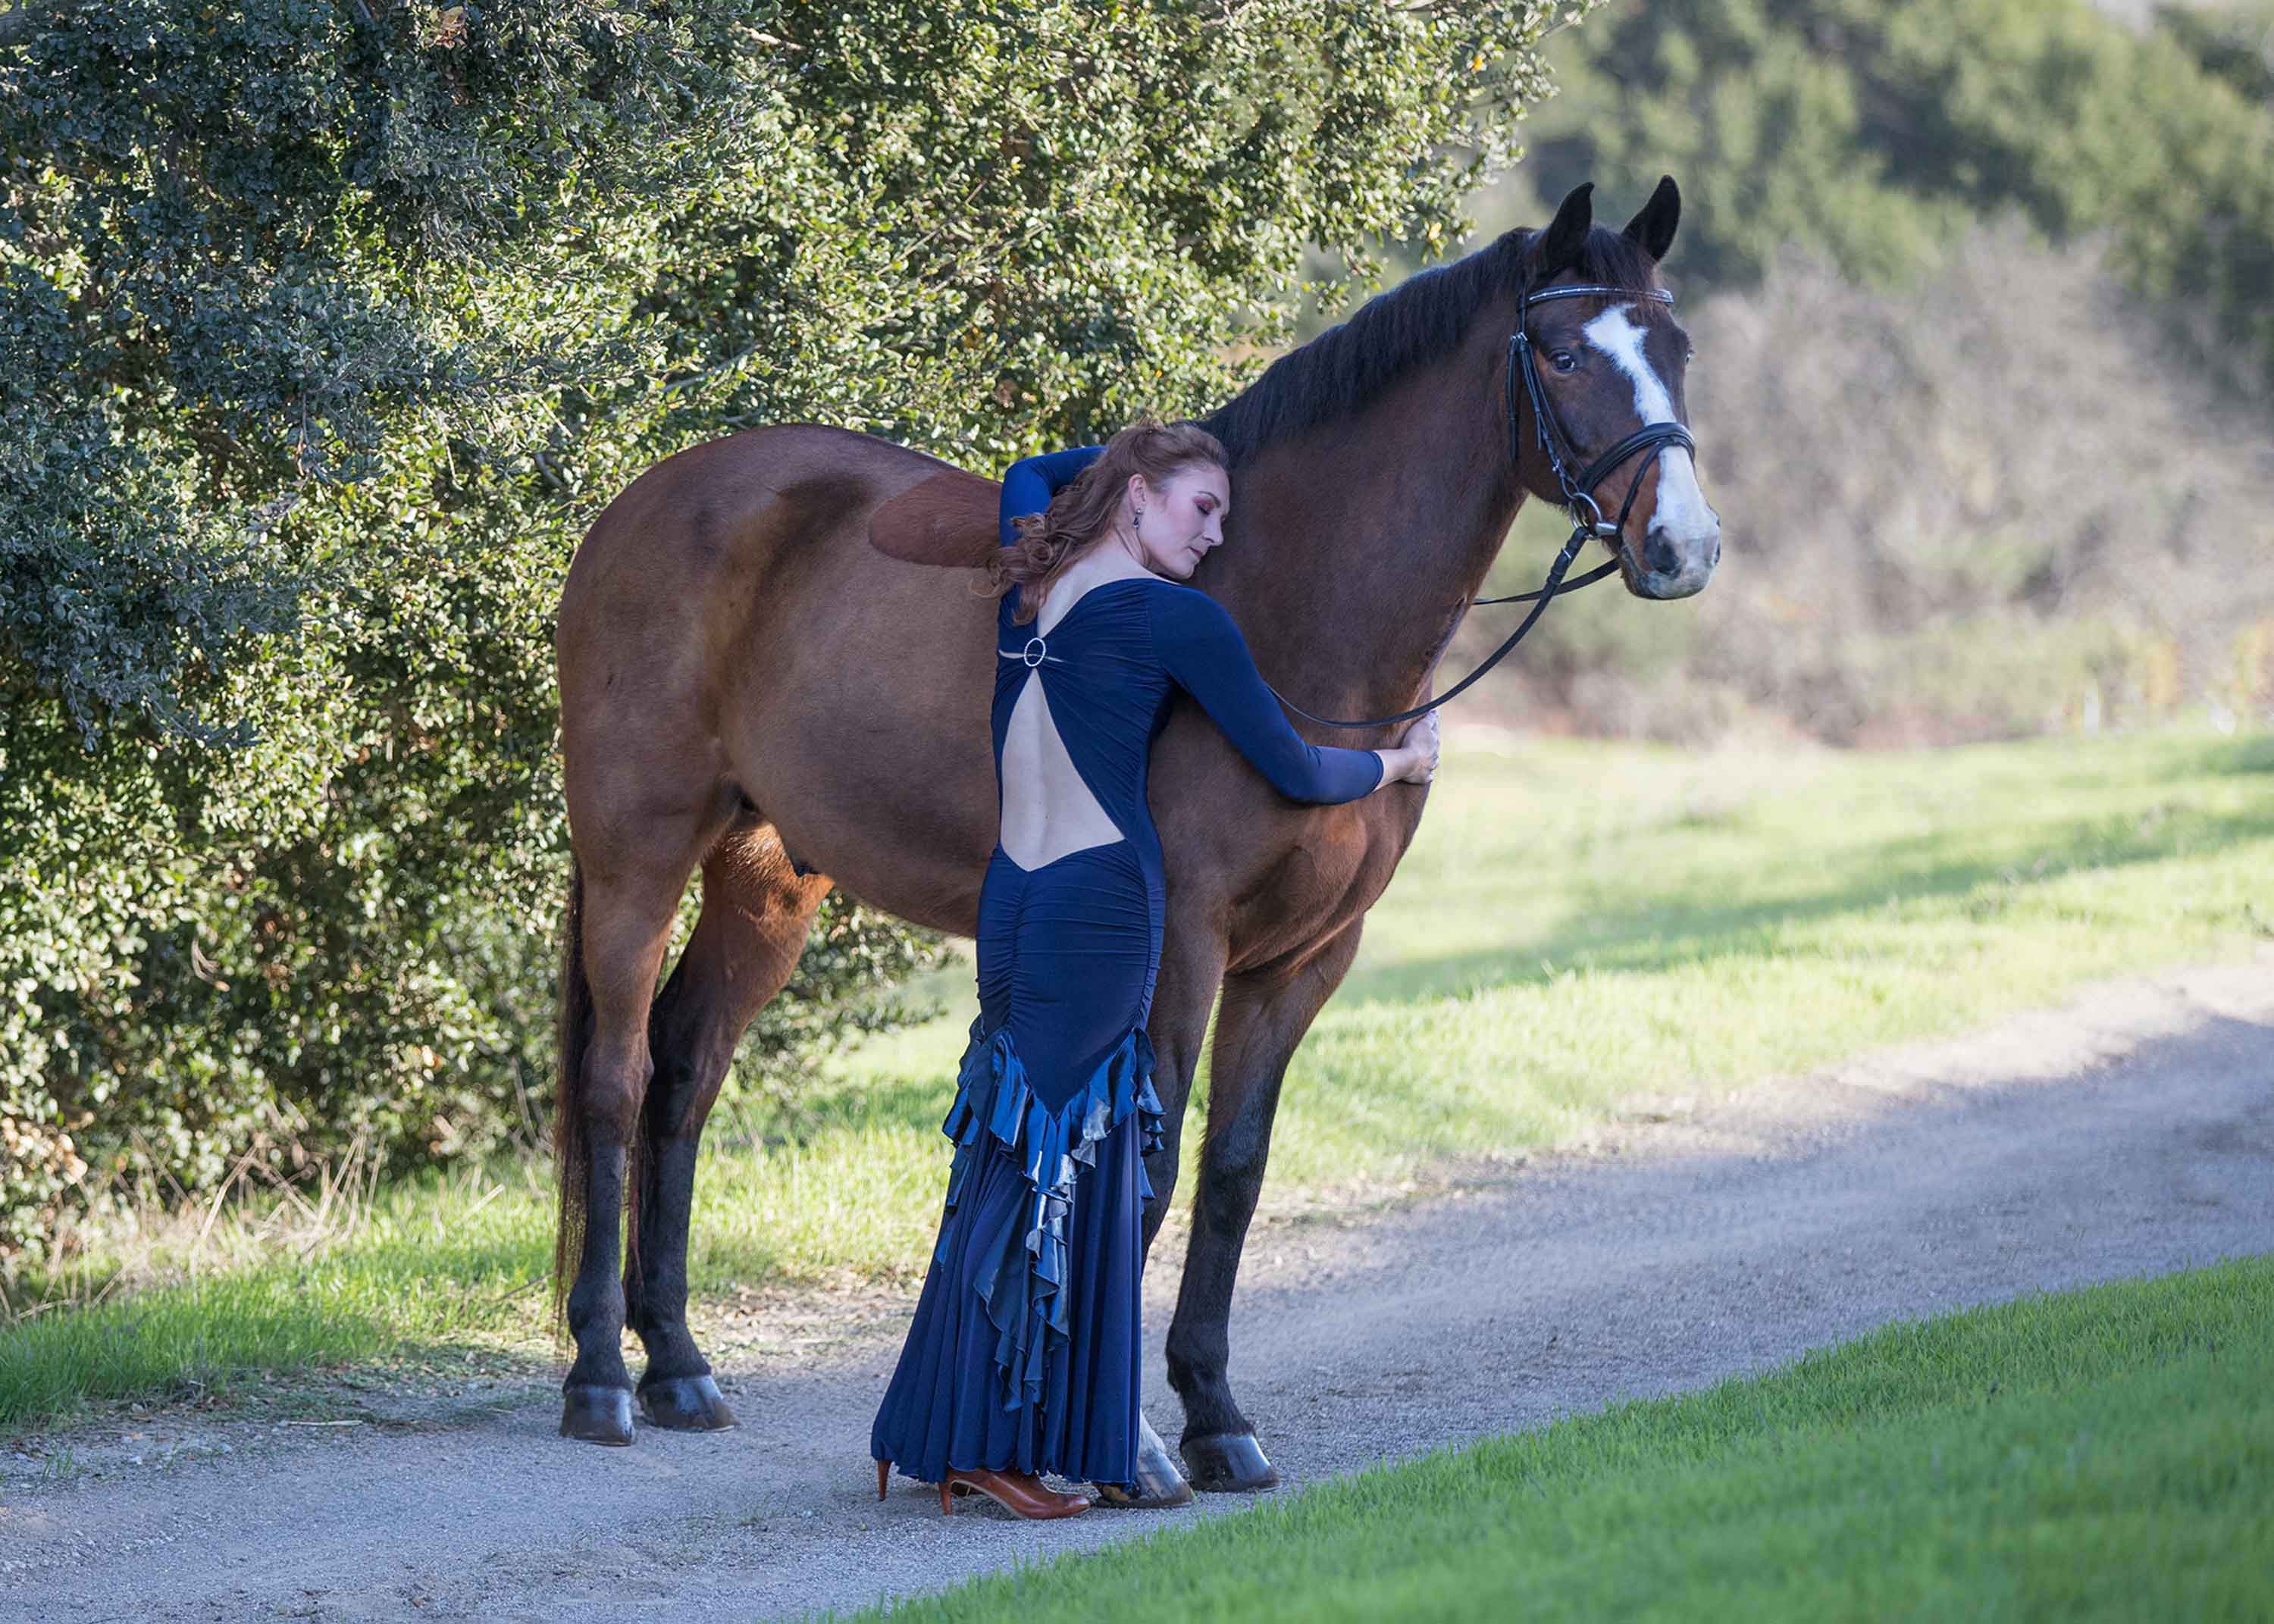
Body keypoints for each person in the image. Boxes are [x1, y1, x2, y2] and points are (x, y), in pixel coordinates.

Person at [869, 419, 1439, 1519]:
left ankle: (934, 1429)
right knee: (1079, 1175)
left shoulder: (1027, 584)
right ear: (1136, 497)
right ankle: (1001, 1444)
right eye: (1201, 508)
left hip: (1012, 902)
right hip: (1100, 907)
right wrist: (1398, 759)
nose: (1217, 537)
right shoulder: (1177, 618)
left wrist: (1126, 455)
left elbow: (1033, 472)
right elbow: (1292, 763)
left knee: (1003, 1154)